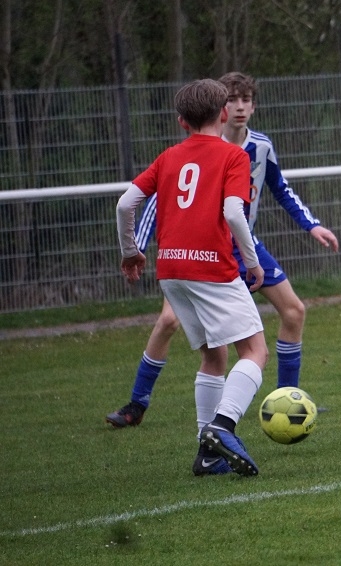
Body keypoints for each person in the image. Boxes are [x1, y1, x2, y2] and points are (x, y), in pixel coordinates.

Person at [106, 72, 339, 429]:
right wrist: (136, 245)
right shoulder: (201, 154)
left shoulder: (259, 146)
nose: (240, 106)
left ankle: (286, 400)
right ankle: (138, 403)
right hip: (206, 248)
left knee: (293, 311)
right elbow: (156, 207)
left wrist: (312, 225)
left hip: (242, 244)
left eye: (247, 99)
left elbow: (280, 188)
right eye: (233, 100)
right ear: (222, 111)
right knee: (172, 322)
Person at [116, 78, 268, 476]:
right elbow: (234, 213)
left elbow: (125, 204)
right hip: (211, 268)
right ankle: (223, 425)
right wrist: (251, 262)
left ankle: (208, 454)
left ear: (182, 121)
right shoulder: (233, 156)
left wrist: (131, 250)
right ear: (223, 113)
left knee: (214, 355)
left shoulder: (169, 157)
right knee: (255, 351)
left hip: (171, 270)